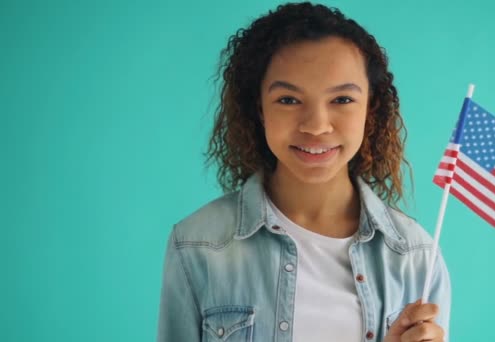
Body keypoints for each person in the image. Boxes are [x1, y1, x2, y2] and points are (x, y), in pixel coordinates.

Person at [156, 2, 451, 341]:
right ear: (259, 109)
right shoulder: (197, 244)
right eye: (288, 100)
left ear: (371, 109)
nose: (316, 126)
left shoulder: (416, 258)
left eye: (341, 100)